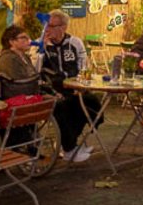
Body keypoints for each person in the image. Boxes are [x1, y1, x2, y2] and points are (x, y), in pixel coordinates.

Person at [41, 9, 101, 163]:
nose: (48, 29)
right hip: (52, 89)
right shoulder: (41, 44)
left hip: (73, 86)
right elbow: (36, 69)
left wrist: (79, 85)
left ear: (63, 27)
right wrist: (42, 47)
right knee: (66, 106)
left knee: (91, 102)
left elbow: (83, 65)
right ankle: (69, 147)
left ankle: (71, 142)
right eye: (46, 25)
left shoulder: (75, 42)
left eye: (52, 26)